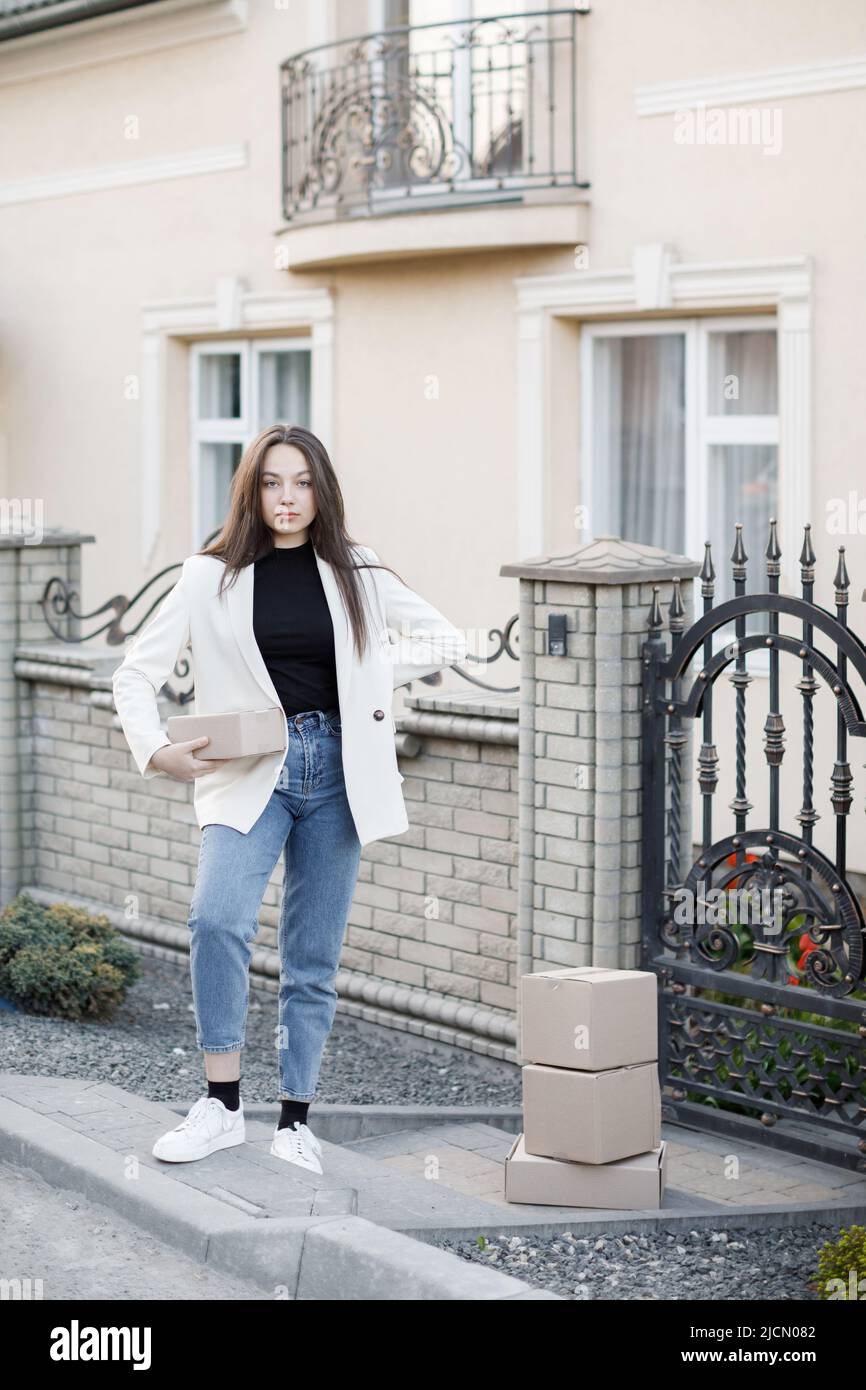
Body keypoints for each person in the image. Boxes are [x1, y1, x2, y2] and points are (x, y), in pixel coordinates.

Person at [111, 423, 466, 1175]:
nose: (287, 497)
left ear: (322, 490)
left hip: (339, 769)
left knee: (312, 956)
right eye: (272, 482)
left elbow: (446, 642)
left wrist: (370, 678)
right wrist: (155, 748)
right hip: (252, 771)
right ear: (251, 489)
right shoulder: (209, 576)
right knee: (217, 918)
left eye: (302, 482)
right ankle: (221, 1105)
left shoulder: (355, 569)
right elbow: (134, 673)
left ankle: (296, 1121)